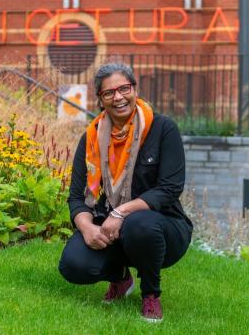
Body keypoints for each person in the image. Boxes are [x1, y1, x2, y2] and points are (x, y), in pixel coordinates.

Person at [58, 62, 193, 323]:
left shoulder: (163, 129)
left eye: (124, 89)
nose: (118, 97)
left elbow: (169, 189)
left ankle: (150, 295)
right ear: (100, 100)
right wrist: (87, 228)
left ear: (134, 89)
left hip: (162, 227)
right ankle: (120, 278)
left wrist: (121, 212)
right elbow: (77, 197)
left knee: (139, 224)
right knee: (73, 265)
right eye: (109, 93)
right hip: (110, 229)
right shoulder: (91, 138)